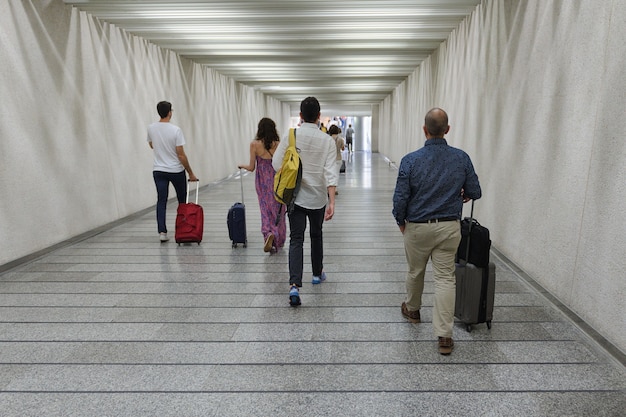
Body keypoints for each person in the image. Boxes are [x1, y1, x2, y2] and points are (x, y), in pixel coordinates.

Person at [392, 107, 481, 355]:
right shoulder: (461, 158)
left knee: (415, 270)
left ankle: (413, 310)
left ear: (424, 130)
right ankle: (444, 336)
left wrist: (401, 221)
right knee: (445, 279)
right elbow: (475, 191)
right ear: (447, 130)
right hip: (449, 228)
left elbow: (400, 197)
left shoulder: (410, 160)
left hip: (417, 227)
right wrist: (461, 194)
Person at [272, 97, 338, 306]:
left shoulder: (291, 135)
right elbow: (330, 173)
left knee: (296, 239)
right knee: (316, 234)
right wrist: (332, 202)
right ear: (319, 116)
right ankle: (317, 273)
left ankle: (294, 286)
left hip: (296, 197)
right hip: (318, 198)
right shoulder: (326, 140)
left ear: (300, 116)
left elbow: (275, 164)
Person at [147, 101, 198, 243]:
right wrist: (190, 172)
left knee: (161, 200)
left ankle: (162, 232)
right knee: (182, 201)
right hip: (176, 170)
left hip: (159, 170)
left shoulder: (151, 128)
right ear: (170, 112)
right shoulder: (176, 130)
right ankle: (183, 230)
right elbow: (181, 154)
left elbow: (152, 145)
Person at [238, 117, 286, 253]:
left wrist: (243, 166)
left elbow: (252, 167)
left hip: (262, 182)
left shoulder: (254, 145)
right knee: (279, 210)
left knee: (265, 209)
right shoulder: (278, 144)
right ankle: (278, 237)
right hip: (277, 181)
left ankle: (268, 233)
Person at [327, 125, 345, 195]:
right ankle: (335, 189)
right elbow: (342, 148)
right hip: (338, 158)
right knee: (336, 174)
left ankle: (328, 189)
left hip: (330, 159)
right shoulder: (340, 139)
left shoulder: (328, 139)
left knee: (329, 174)